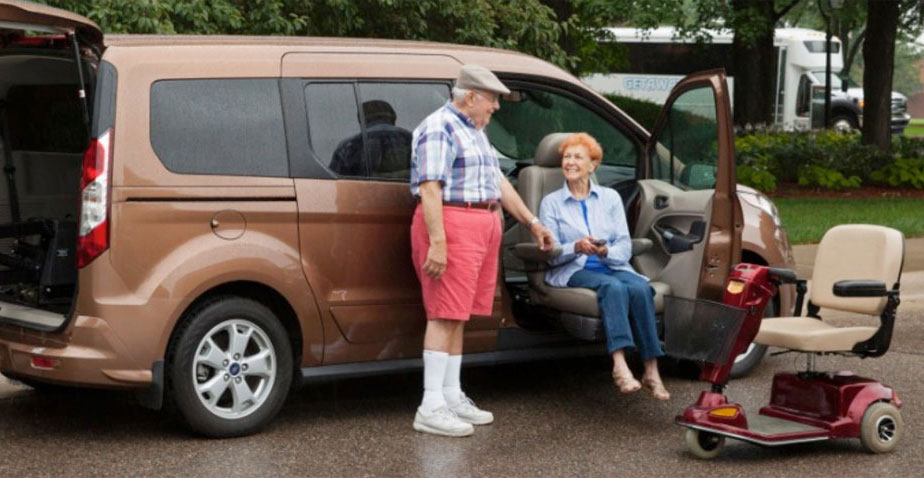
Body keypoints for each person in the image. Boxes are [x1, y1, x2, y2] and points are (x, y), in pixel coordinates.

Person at [409, 64, 554, 437]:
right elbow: (430, 189)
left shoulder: (474, 130)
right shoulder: (439, 127)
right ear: (470, 96)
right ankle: (431, 406)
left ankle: (451, 395)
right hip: (453, 224)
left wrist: (531, 221)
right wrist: (438, 243)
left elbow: (498, 182)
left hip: (479, 224)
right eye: (492, 99)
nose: (496, 107)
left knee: (458, 314)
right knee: (443, 313)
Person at [539, 132, 670, 401]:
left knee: (641, 289)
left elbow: (624, 246)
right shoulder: (551, 202)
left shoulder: (610, 198)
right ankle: (620, 365)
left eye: (578, 157)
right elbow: (551, 254)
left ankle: (651, 370)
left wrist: (605, 250)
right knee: (612, 287)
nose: (570, 162)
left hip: (612, 264)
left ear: (593, 165)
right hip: (573, 269)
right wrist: (576, 246)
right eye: (566, 157)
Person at [329, 100, 412, 177]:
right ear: (394, 118)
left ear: (361, 121)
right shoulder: (414, 139)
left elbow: (334, 180)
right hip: (408, 191)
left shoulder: (348, 146)